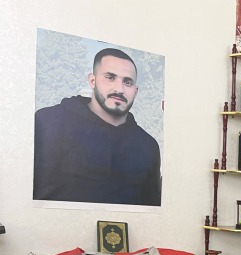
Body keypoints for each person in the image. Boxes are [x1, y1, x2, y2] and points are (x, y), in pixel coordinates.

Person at [33, 48, 161, 206]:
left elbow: (152, 209)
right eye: (110, 77)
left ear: (135, 91)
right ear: (92, 81)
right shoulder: (47, 122)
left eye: (127, 82)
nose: (119, 89)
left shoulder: (148, 146)